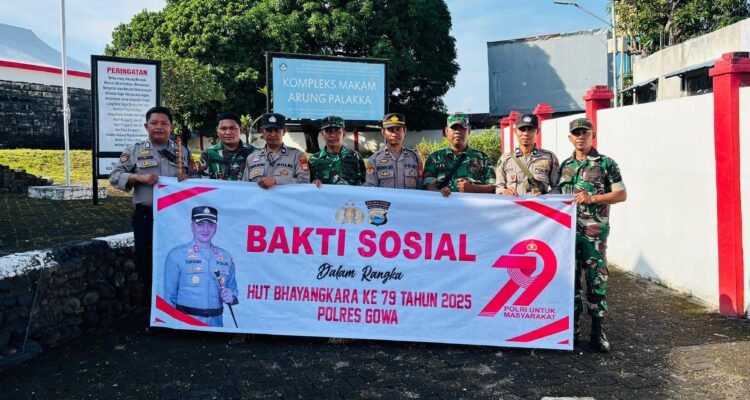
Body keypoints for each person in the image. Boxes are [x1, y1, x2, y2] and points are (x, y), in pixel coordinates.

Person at [109, 106, 198, 318]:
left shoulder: (182, 151)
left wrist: (188, 179)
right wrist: (137, 178)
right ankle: (152, 312)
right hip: (147, 217)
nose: (159, 127)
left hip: (177, 218)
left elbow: (196, 178)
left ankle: (178, 311)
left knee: (178, 263)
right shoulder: (134, 150)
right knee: (147, 263)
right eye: (154, 123)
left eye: (164, 123)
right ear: (146, 126)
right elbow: (114, 176)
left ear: (171, 127)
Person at [558, 117, 627, 353]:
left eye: (585, 133)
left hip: (593, 235)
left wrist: (593, 198)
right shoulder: (565, 166)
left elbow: (621, 194)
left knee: (596, 282)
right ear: (570, 138)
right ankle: (573, 331)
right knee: (571, 283)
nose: (580, 137)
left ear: (592, 136)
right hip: (568, 235)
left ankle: (598, 332)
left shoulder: (606, 164)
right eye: (576, 133)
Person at [163, 206, 238, 327]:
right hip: (186, 324)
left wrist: (231, 296)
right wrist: (171, 326)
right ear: (192, 226)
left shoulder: (226, 257)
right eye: (200, 224)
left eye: (210, 224)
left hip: (216, 324)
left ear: (216, 227)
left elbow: (233, 288)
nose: (206, 229)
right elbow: (169, 297)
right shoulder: (176, 255)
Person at [422, 112, 495, 197]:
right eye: (454, 128)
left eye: (462, 128)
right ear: (446, 131)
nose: (457, 131)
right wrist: (439, 192)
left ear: (469, 131)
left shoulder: (482, 158)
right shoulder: (434, 158)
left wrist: (473, 188)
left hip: (474, 205)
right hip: (443, 205)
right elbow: (427, 185)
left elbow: (493, 187)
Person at [496, 114, 560, 196]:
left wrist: (545, 198)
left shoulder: (549, 157)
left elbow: (557, 188)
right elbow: (498, 188)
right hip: (514, 204)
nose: (526, 133)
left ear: (538, 131)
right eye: (522, 130)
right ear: (515, 131)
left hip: (538, 204)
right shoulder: (505, 159)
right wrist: (504, 191)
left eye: (530, 130)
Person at [241, 113, 310, 188]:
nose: (273, 134)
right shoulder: (251, 158)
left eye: (277, 130)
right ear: (262, 131)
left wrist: (276, 181)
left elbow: (304, 182)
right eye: (269, 130)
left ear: (284, 131)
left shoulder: (298, 156)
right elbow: (245, 187)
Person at [364, 113, 423, 189]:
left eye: (398, 129)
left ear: (404, 131)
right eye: (390, 130)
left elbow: (421, 188)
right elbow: (371, 189)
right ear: (383, 132)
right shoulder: (374, 160)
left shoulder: (415, 158)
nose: (395, 134)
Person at [309, 115, 366, 186]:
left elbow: (364, 184)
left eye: (337, 131)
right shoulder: (313, 160)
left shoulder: (355, 157)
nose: (333, 135)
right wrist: (312, 184)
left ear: (344, 134)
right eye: (328, 131)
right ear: (322, 134)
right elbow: (307, 184)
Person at [198, 112, 255, 180]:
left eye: (232, 128)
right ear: (217, 130)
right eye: (223, 128)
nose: (228, 132)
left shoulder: (255, 153)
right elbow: (202, 182)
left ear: (241, 129)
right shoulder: (208, 154)